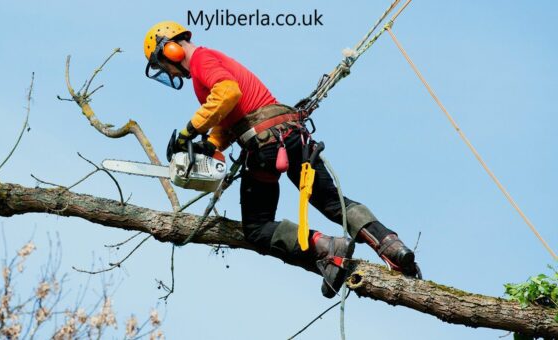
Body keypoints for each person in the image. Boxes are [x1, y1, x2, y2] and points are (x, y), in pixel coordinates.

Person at [143, 21, 420, 297]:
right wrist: (211, 144)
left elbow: (228, 93)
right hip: (291, 136)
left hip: (266, 145)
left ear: (170, 49)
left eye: (161, 63)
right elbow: (230, 115)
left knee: (257, 227)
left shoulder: (202, 59)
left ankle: (326, 247)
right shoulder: (211, 60)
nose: (167, 70)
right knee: (331, 201)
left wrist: (188, 132)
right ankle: (392, 245)